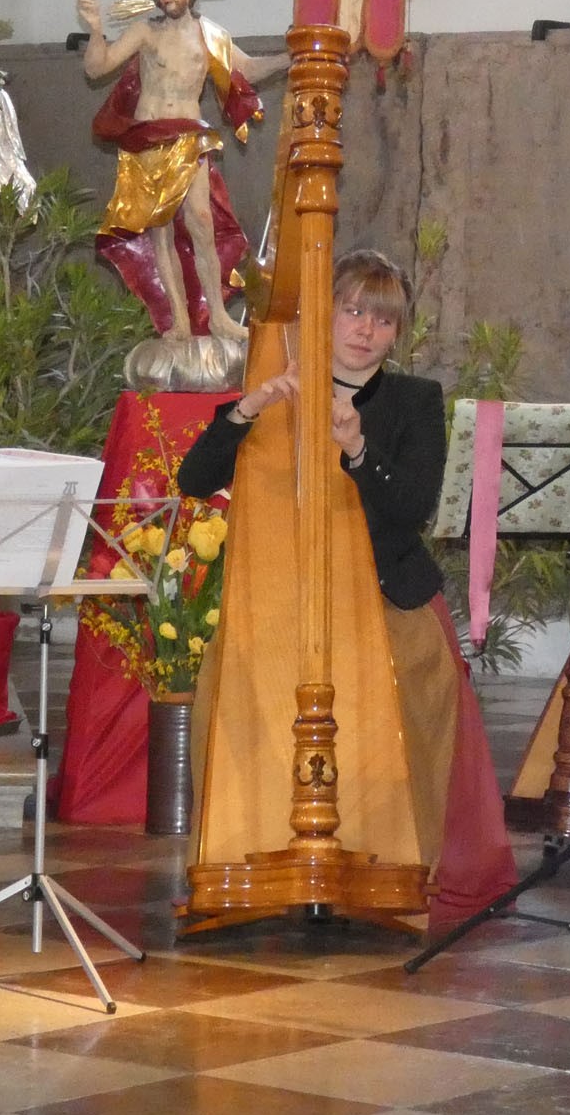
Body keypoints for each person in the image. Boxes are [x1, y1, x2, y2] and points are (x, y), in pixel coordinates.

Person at [177, 248, 517, 931]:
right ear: (322, 314)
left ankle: (392, 871)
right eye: (353, 311)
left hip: (388, 593)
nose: (365, 330)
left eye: (383, 321)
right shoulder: (275, 386)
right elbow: (194, 478)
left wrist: (360, 451)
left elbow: (413, 510)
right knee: (226, 685)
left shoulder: (414, 401)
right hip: (288, 601)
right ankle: (251, 857)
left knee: (414, 697)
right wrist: (246, 409)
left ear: (398, 333)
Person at [76, 0, 287, 342]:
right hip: (148, 137)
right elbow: (97, 68)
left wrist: (294, 56)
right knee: (162, 231)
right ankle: (180, 321)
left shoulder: (210, 35)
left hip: (189, 136)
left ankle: (219, 316)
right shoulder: (146, 32)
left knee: (202, 221)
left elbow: (250, 70)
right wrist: (95, 28)